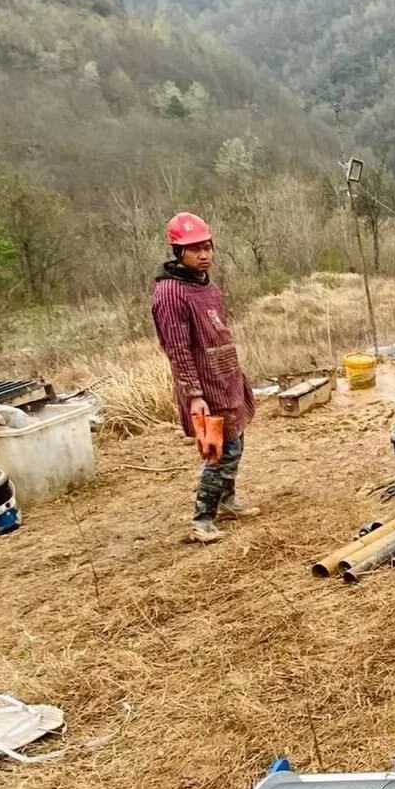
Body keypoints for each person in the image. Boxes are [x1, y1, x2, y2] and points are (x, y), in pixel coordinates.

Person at [151, 212, 257, 542]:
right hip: (203, 386)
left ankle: (226, 501)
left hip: (225, 376)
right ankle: (203, 518)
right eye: (195, 249)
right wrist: (194, 393)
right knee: (218, 450)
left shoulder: (206, 284)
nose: (204, 254)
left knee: (236, 441)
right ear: (178, 252)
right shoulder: (170, 293)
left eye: (207, 246)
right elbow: (178, 349)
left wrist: (237, 375)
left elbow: (218, 332)